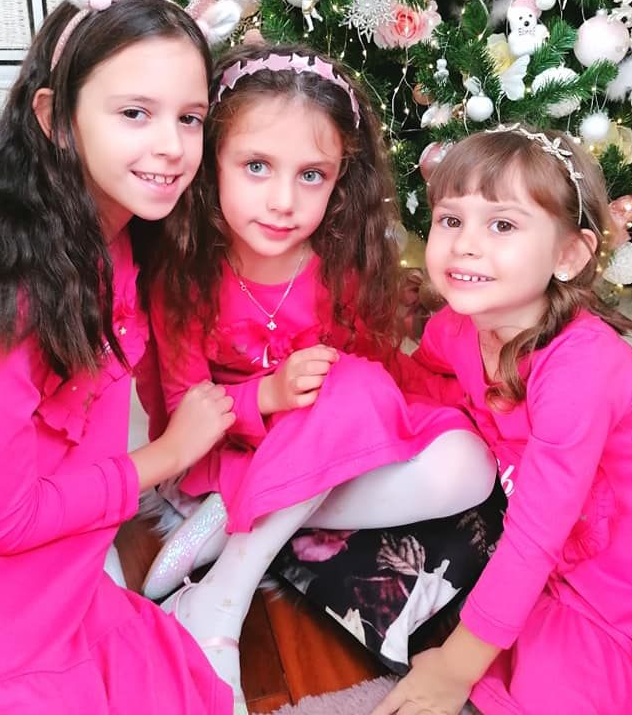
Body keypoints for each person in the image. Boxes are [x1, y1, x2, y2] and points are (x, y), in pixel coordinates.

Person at [0, 0, 252, 711]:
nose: (171, 147)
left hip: (67, 562)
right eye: (135, 113)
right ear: (55, 118)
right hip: (3, 583)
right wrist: (164, 458)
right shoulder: (11, 285)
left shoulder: (122, 239)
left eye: (189, 117)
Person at [144, 43, 499, 710]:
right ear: (212, 160)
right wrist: (267, 395)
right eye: (256, 166)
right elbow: (183, 407)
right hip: (228, 448)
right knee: (352, 389)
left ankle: (234, 520)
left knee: (469, 465)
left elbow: (372, 391)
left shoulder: (342, 265)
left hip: (322, 454)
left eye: (312, 175)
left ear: (340, 180)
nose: (283, 201)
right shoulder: (185, 272)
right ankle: (222, 595)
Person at [373, 124, 632, 715]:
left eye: (502, 225)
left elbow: (535, 536)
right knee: (548, 684)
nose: (465, 245)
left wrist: (456, 665)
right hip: (573, 568)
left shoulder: (582, 369)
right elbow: (427, 379)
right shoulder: (456, 329)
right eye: (450, 219)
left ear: (568, 255)